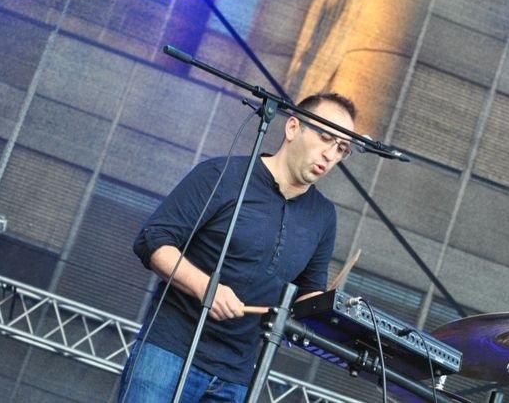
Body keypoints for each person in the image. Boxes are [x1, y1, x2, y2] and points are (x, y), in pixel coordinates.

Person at [118, 92, 357, 402]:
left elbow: (308, 292)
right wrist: (206, 287)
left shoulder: (323, 216)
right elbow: (153, 240)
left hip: (237, 375)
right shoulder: (223, 175)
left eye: (341, 148)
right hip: (169, 350)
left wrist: (336, 311)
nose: (331, 154)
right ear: (293, 128)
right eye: (326, 138)